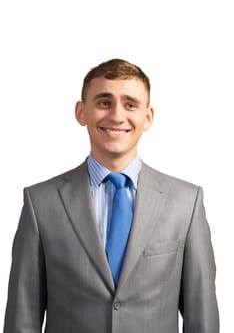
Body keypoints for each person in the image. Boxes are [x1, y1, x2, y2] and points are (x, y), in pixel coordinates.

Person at [3, 58, 219, 333]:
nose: (117, 115)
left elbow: (202, 319)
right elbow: (23, 317)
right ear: (81, 112)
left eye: (130, 104)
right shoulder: (40, 202)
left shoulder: (186, 203)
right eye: (104, 102)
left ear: (148, 117)